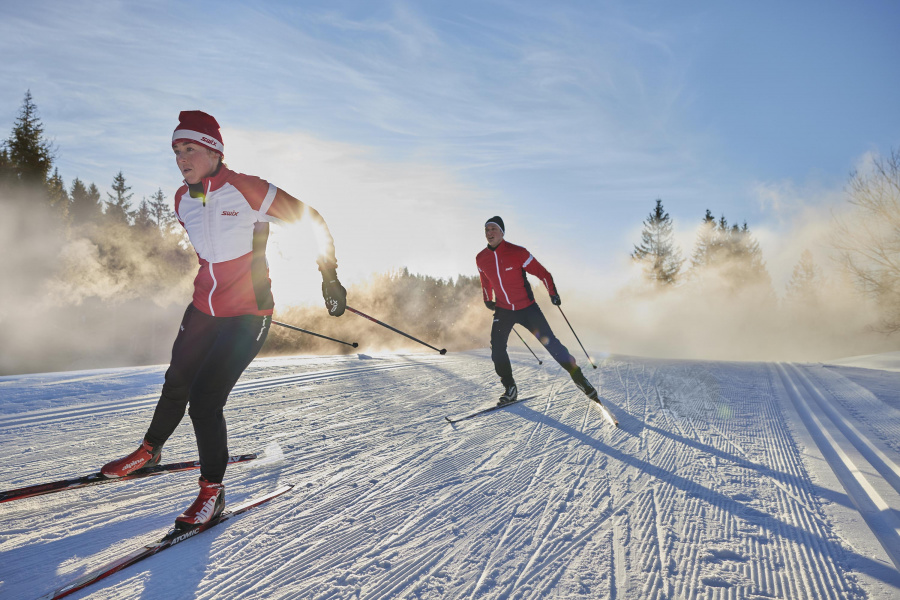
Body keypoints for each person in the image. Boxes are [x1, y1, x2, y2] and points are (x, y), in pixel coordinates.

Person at [100, 111, 347, 530]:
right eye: (176, 150)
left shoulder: (248, 189)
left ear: (213, 150)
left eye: (189, 148)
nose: (181, 157)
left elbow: (313, 219)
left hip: (248, 315)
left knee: (205, 399)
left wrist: (329, 275)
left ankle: (212, 493)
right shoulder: (183, 200)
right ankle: (150, 450)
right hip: (203, 308)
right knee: (176, 379)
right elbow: (207, 255)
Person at [476, 216, 597, 405]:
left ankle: (579, 378)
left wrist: (553, 293)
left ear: (502, 232)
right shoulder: (481, 258)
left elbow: (543, 273)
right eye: (486, 230)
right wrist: (487, 299)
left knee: (552, 345)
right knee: (497, 348)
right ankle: (510, 388)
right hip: (503, 309)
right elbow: (485, 279)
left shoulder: (518, 252)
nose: (489, 233)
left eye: (493, 229)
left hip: (527, 308)